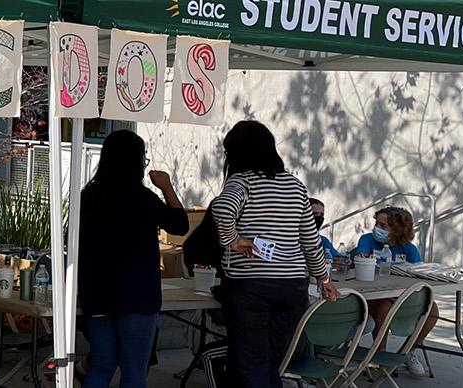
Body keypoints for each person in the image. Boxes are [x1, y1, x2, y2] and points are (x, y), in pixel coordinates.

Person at [209, 121, 340, 388]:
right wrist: (324, 280)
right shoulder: (295, 185)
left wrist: (233, 240)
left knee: (252, 363)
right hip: (292, 286)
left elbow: (222, 209)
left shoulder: (242, 181)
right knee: (277, 358)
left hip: (250, 286)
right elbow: (310, 241)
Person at [77, 131, 189, 388]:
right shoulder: (143, 198)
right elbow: (180, 225)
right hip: (137, 295)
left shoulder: (87, 197)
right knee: (134, 371)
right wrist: (167, 186)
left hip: (97, 294)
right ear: (136, 162)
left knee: (101, 365)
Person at [351, 207, 437, 377]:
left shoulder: (409, 249)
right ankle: (380, 354)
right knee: (384, 307)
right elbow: (362, 260)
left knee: (432, 310)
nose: (378, 228)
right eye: (377, 223)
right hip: (373, 295)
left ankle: (408, 352)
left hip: (400, 296)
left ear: (397, 229)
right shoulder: (367, 240)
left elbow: (417, 277)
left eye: (384, 225)